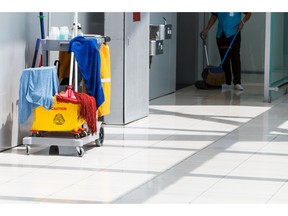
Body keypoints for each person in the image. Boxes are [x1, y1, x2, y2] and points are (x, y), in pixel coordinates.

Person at [201, 12, 251, 91]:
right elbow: (214, 16)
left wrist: (242, 22)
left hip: (234, 33)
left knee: (235, 58)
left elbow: (248, 13)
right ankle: (227, 82)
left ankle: (237, 82)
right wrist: (207, 29)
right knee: (224, 59)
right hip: (221, 34)